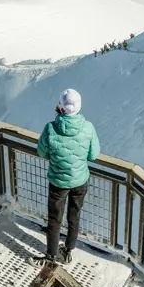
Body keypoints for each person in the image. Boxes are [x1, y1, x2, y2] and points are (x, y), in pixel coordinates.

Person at [36, 89, 100, 264]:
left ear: (61, 107)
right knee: (74, 216)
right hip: (80, 180)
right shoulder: (88, 128)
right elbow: (93, 155)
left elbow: (42, 152)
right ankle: (68, 251)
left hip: (58, 181)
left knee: (54, 219)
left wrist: (57, 158)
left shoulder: (50, 128)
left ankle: (51, 255)